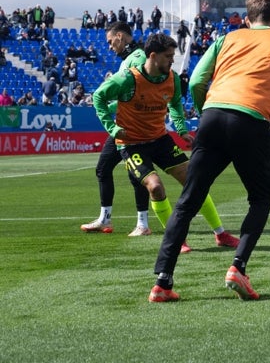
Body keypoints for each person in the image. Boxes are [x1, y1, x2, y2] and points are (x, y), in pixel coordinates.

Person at [150, 0, 270, 302]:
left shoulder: (227, 39)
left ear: (248, 19)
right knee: (261, 200)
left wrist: (204, 110)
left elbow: (196, 81)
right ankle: (238, 267)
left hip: (212, 117)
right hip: (250, 122)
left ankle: (162, 282)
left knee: (187, 203)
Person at [92, 33, 239, 251]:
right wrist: (112, 128)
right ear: (153, 56)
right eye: (169, 56)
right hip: (131, 144)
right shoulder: (127, 79)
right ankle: (176, 239)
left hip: (160, 139)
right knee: (156, 187)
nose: (172, 60)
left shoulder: (172, 78)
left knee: (194, 182)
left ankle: (221, 234)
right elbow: (98, 97)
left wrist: (181, 130)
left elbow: (175, 105)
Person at [80, 22, 152, 234]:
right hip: (124, 123)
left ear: (120, 36)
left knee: (136, 174)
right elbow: (124, 97)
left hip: (132, 126)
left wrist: (108, 93)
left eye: (111, 42)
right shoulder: (129, 60)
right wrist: (109, 103)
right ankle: (106, 218)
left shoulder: (137, 58)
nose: (110, 47)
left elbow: (137, 91)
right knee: (104, 169)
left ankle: (142, 224)